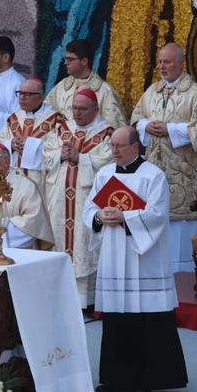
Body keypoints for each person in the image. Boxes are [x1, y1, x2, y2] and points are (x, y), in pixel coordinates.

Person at [86, 126, 189, 392]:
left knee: (145, 318)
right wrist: (99, 217)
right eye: (112, 146)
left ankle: (145, 379)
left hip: (143, 257)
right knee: (115, 318)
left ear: (135, 146)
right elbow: (90, 208)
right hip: (113, 252)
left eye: (119, 146)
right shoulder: (104, 174)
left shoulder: (153, 176)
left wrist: (125, 217)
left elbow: (157, 215)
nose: (114, 151)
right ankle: (113, 377)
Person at [130, 43, 197, 273]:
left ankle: (184, 271)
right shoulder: (152, 91)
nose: (162, 66)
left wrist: (170, 130)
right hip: (155, 167)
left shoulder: (196, 94)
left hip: (186, 173)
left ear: (181, 63)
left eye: (168, 61)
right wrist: (145, 126)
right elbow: (136, 117)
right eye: (160, 61)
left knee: (182, 225)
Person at [42, 89, 114, 308]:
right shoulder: (62, 128)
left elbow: (109, 164)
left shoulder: (107, 133)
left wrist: (80, 158)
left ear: (96, 109)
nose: (77, 113)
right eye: (74, 108)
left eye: (82, 109)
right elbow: (46, 153)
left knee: (83, 241)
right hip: (60, 199)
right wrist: (60, 155)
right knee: (58, 238)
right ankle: (58, 295)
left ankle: (85, 300)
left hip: (86, 198)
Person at [0, 76, 66, 194]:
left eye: (27, 94)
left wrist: (31, 145)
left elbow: (60, 149)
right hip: (13, 177)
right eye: (20, 93)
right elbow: (0, 142)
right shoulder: (13, 118)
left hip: (40, 179)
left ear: (40, 97)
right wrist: (11, 144)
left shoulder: (56, 119)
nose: (22, 98)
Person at [46, 39, 127, 129]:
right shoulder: (61, 88)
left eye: (70, 59)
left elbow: (114, 128)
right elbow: (45, 118)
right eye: (66, 59)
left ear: (84, 61)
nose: (65, 63)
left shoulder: (105, 92)